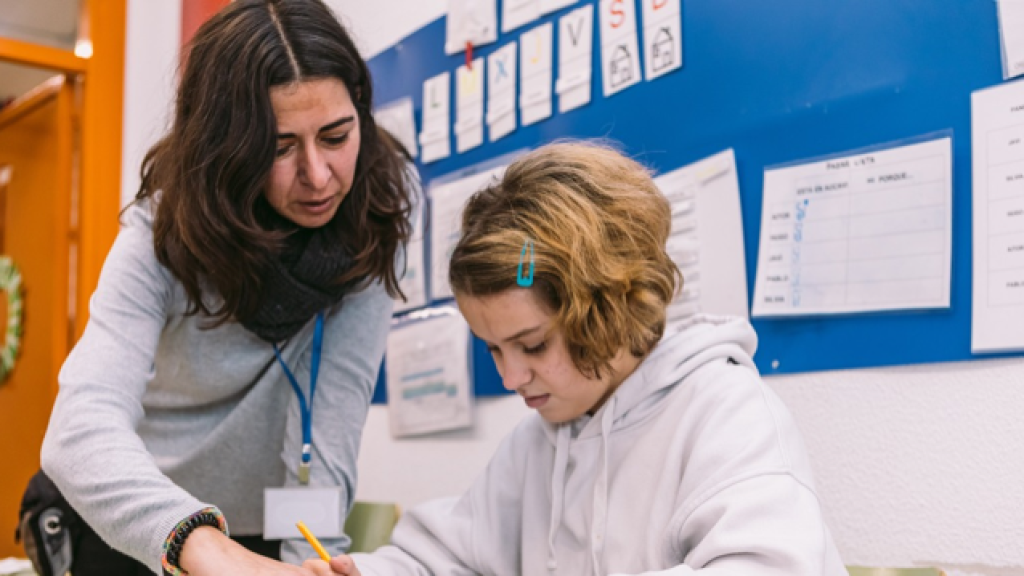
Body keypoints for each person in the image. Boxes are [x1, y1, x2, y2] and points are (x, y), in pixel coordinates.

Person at [308, 141, 847, 575]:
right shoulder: (538, 442)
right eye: (492, 348)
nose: (512, 376)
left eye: (533, 344)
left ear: (611, 308)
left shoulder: (724, 414)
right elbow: (448, 557)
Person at [39, 1, 412, 574]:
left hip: (257, 535)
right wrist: (203, 545)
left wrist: (313, 562)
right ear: (229, 147)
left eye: (335, 135)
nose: (317, 175)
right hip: (138, 528)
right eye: (280, 148)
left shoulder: (374, 213)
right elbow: (78, 430)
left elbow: (331, 425)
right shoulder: (165, 229)